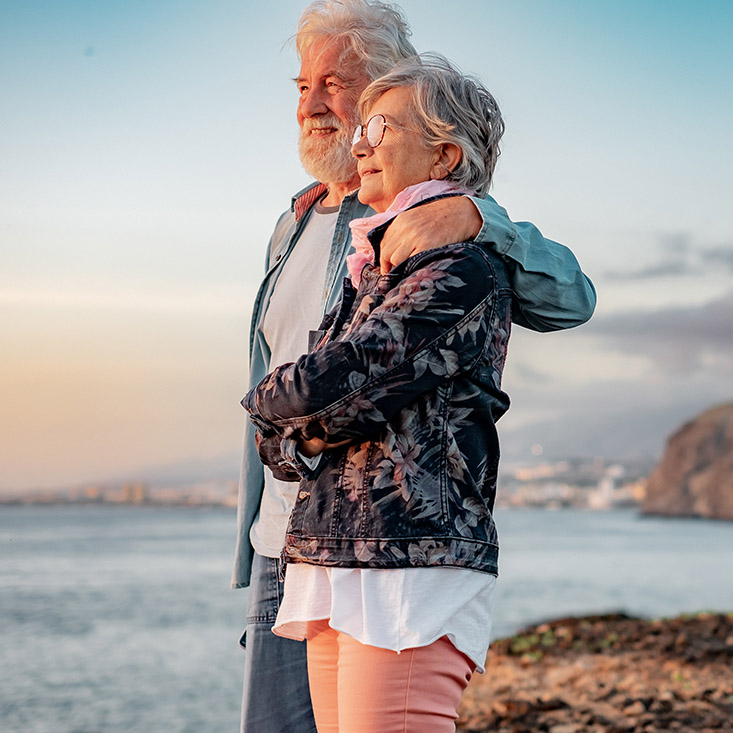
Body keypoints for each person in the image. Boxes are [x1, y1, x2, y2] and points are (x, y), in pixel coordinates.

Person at [233, 1, 596, 731]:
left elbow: (572, 296)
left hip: (391, 550)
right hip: (293, 540)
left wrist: (477, 217)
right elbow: (288, 387)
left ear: (380, 84)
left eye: (338, 84)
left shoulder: (443, 228)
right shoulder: (293, 225)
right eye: (302, 86)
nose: (316, 105)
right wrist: (276, 424)